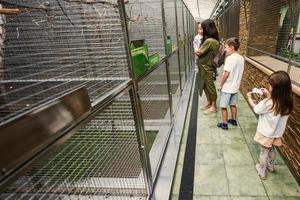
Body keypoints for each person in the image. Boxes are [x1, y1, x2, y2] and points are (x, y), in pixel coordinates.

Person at [246, 71, 293, 179]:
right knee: (272, 150)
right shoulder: (287, 101)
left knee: (264, 152)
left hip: (266, 133)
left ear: (276, 89)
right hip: (277, 133)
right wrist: (268, 95)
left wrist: (249, 98)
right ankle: (270, 166)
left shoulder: (269, 103)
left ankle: (262, 170)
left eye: (270, 85)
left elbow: (257, 109)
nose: (268, 86)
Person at [217, 38, 244, 130]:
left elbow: (226, 74)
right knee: (233, 104)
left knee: (223, 106)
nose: (224, 49)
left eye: (226, 47)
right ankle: (233, 120)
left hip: (227, 88)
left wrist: (221, 85)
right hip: (235, 87)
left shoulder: (229, 59)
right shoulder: (241, 58)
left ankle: (224, 124)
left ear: (232, 48)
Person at [195, 19, 220, 114]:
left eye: (202, 28)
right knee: (205, 85)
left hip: (207, 67)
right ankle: (209, 102)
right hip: (205, 67)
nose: (200, 30)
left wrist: (196, 50)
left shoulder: (209, 41)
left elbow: (199, 52)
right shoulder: (212, 40)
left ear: (207, 29)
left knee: (210, 86)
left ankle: (213, 106)